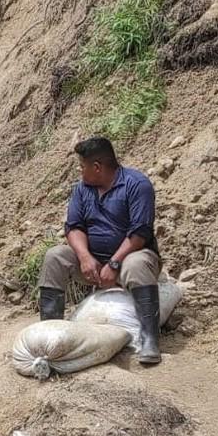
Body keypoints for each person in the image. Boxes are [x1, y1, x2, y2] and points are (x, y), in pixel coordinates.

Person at [39, 137, 164, 364]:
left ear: (97, 167)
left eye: (82, 166)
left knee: (136, 263)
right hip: (94, 263)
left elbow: (140, 233)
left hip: (130, 258)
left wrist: (114, 264)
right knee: (55, 256)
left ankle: (149, 339)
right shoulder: (81, 190)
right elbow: (74, 227)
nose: (80, 171)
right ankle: (47, 330)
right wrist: (85, 257)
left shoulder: (137, 185)